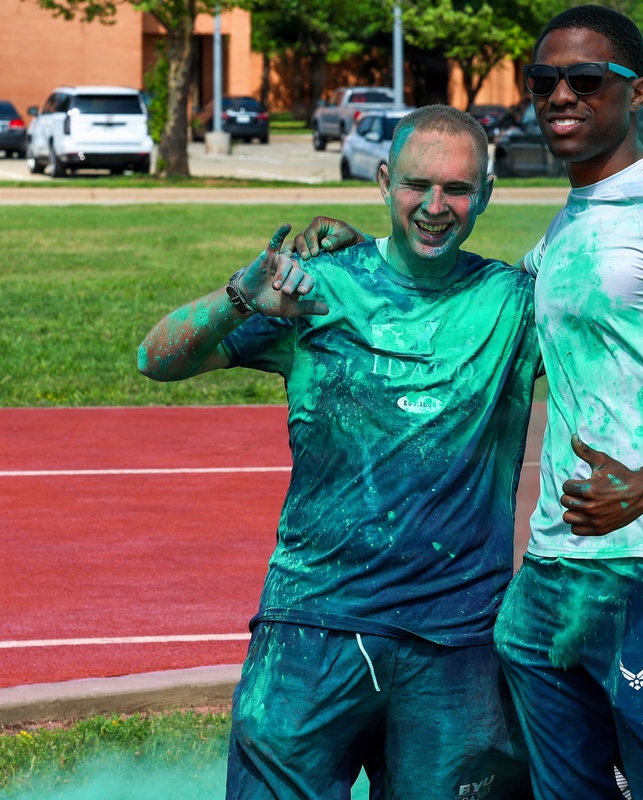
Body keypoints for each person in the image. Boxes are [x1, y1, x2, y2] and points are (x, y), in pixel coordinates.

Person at [293, 8, 643, 798]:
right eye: (544, 81)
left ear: (637, 93)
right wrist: (363, 251)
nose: (561, 95)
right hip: (554, 571)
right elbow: (461, 296)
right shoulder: (564, 232)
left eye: (586, 80)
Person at [137, 105, 539, 800]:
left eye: (458, 190)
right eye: (417, 185)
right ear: (384, 181)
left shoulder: (513, 304)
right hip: (310, 626)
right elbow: (156, 359)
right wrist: (240, 296)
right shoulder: (314, 289)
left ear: (487, 195)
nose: (436, 207)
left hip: (455, 641)